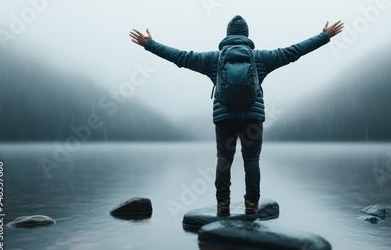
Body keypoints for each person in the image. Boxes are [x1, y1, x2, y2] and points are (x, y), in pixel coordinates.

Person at [130, 15, 343, 215]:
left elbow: (181, 57)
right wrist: (324, 36)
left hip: (225, 118)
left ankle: (223, 204)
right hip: (253, 117)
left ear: (227, 35)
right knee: (251, 160)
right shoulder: (260, 58)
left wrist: (150, 44)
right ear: (247, 36)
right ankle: (252, 205)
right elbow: (294, 51)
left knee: (224, 159)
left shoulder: (213, 59)